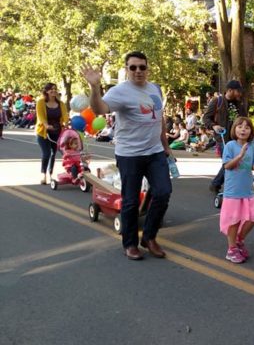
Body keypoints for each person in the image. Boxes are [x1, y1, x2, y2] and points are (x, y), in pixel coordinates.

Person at [81, 51, 172, 261]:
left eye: (142, 67)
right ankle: (130, 244)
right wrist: (94, 87)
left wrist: (166, 145)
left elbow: (159, 119)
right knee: (130, 201)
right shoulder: (119, 91)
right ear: (127, 69)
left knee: (163, 192)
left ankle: (149, 237)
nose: (138, 71)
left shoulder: (155, 88)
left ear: (147, 68)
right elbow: (99, 109)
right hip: (129, 155)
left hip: (155, 152)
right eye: (133, 67)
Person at [220, 117, 254, 264]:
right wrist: (240, 155)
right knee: (234, 221)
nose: (243, 129)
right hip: (233, 191)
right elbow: (227, 166)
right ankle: (231, 249)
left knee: (252, 219)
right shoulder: (230, 146)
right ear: (234, 129)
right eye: (240, 126)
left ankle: (239, 240)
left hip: (247, 190)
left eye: (247, 127)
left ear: (251, 131)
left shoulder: (252, 146)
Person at [203, 80, 248, 193]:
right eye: (238, 91)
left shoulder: (239, 103)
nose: (240, 94)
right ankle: (219, 185)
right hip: (222, 138)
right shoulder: (217, 101)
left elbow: (245, 120)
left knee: (234, 162)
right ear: (230, 90)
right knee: (229, 162)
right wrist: (214, 126)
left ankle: (217, 184)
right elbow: (206, 118)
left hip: (237, 139)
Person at [35, 83, 69, 185]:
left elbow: (65, 116)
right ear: (46, 91)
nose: (53, 91)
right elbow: (40, 116)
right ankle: (43, 174)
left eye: (55, 89)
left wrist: (66, 124)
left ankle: (50, 174)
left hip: (57, 131)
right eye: (51, 89)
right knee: (47, 153)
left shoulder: (61, 104)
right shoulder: (41, 102)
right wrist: (46, 125)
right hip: (43, 132)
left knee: (54, 153)